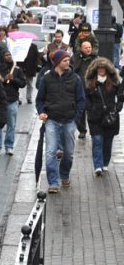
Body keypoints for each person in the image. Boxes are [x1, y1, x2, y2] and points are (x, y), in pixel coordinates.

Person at [36, 50, 86, 193]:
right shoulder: (46, 79)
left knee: (68, 153)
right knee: (51, 152)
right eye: (65, 60)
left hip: (69, 120)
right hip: (52, 120)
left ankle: (64, 174)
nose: (68, 62)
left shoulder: (75, 79)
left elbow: (81, 100)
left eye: (68, 60)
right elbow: (39, 99)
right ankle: (53, 182)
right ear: (57, 62)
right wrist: (42, 112)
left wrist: (76, 119)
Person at [84, 57, 124, 175]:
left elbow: (120, 97)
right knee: (97, 140)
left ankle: (105, 163)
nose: (101, 69)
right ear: (95, 69)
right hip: (95, 117)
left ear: (107, 69)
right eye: (99, 68)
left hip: (110, 117)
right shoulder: (90, 82)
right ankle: (98, 166)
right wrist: (90, 109)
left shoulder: (114, 82)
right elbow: (86, 97)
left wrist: (117, 108)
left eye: (103, 68)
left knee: (107, 142)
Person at [0, 51, 26, 155]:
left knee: (11, 124)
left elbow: (23, 83)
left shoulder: (17, 69)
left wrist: (14, 79)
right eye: (6, 55)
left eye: (10, 55)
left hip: (12, 100)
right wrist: (4, 79)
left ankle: (9, 146)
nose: (9, 56)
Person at [73, 40, 96, 138]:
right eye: (86, 48)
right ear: (81, 49)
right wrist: (80, 59)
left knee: (92, 111)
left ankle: (94, 130)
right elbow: (74, 69)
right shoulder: (76, 58)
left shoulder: (95, 59)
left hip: (92, 90)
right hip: (80, 89)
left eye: (90, 47)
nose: (88, 49)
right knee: (80, 111)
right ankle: (82, 130)